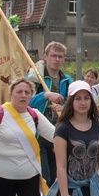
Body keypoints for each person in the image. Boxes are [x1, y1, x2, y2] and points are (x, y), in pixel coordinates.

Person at [28, 42, 73, 188]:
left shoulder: (67, 80)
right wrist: (45, 95)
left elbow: (73, 104)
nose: (57, 59)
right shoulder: (35, 77)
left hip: (59, 132)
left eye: (60, 56)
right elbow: (26, 102)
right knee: (43, 175)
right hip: (38, 133)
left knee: (57, 174)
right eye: (54, 56)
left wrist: (65, 107)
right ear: (46, 57)